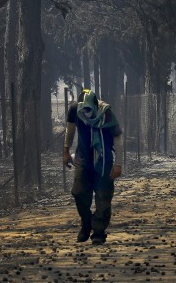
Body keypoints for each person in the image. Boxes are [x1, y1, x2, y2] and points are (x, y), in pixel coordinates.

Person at [63, 89, 124, 244]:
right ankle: (86, 222)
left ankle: (98, 231)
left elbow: (117, 137)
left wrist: (118, 164)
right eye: (84, 109)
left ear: (95, 106)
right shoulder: (75, 110)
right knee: (78, 192)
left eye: (90, 109)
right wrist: (66, 151)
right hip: (83, 158)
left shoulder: (106, 113)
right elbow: (70, 128)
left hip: (104, 160)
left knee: (103, 195)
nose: (87, 113)